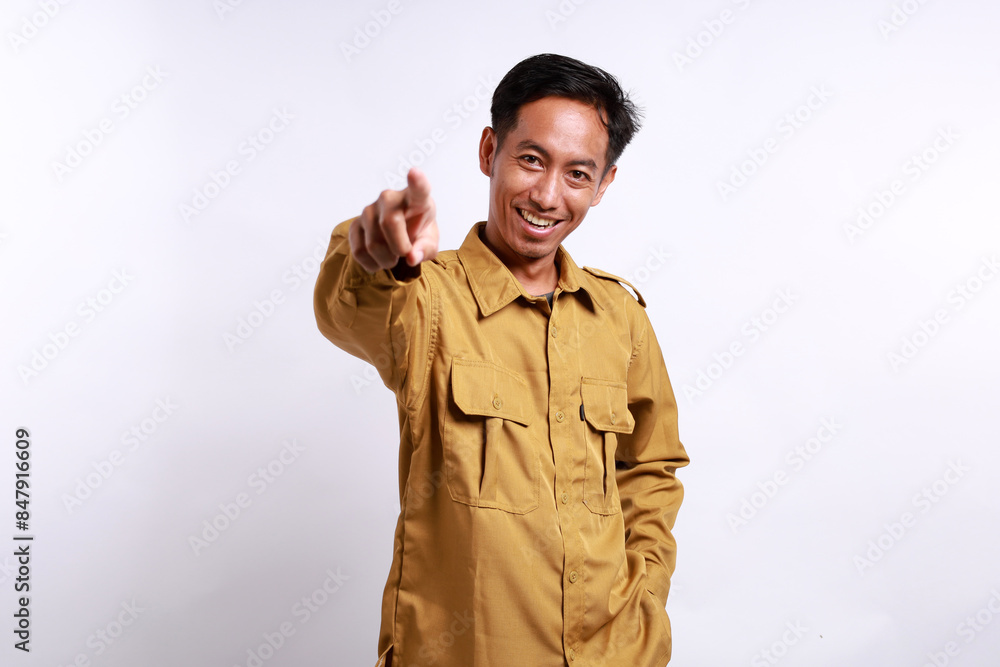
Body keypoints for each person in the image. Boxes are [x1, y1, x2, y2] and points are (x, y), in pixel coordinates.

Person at [314, 53, 689, 667]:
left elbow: (651, 466)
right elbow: (348, 312)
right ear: (490, 150)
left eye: (577, 173)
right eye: (531, 159)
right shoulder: (428, 297)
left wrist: (645, 595)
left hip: (615, 654)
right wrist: (372, 253)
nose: (547, 194)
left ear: (604, 184)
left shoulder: (621, 317)